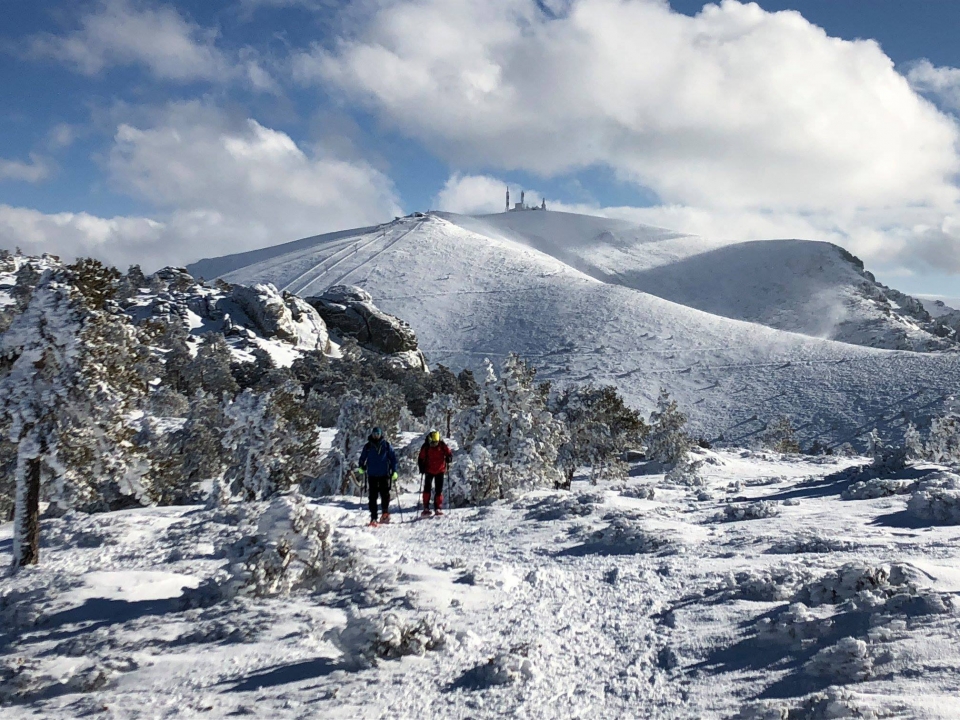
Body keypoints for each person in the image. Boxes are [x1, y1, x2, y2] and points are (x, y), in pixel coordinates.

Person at [358, 426, 398, 526]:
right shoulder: (368, 446)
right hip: (372, 474)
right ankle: (373, 517)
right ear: (372, 434)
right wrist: (361, 466)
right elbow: (362, 457)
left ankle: (385, 513)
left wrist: (394, 471)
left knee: (385, 494)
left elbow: (393, 458)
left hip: (384, 474)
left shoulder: (386, 445)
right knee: (372, 497)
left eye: (377, 434)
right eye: (374, 434)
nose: (376, 436)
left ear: (381, 435)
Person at [418, 430, 453, 516]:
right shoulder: (426, 446)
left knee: (439, 490)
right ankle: (426, 507)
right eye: (433, 443)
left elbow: (449, 454)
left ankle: (438, 507)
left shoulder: (442, 445)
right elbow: (420, 458)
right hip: (429, 470)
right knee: (427, 489)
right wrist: (421, 467)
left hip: (440, 470)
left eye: (436, 442)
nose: (434, 444)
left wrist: (449, 458)